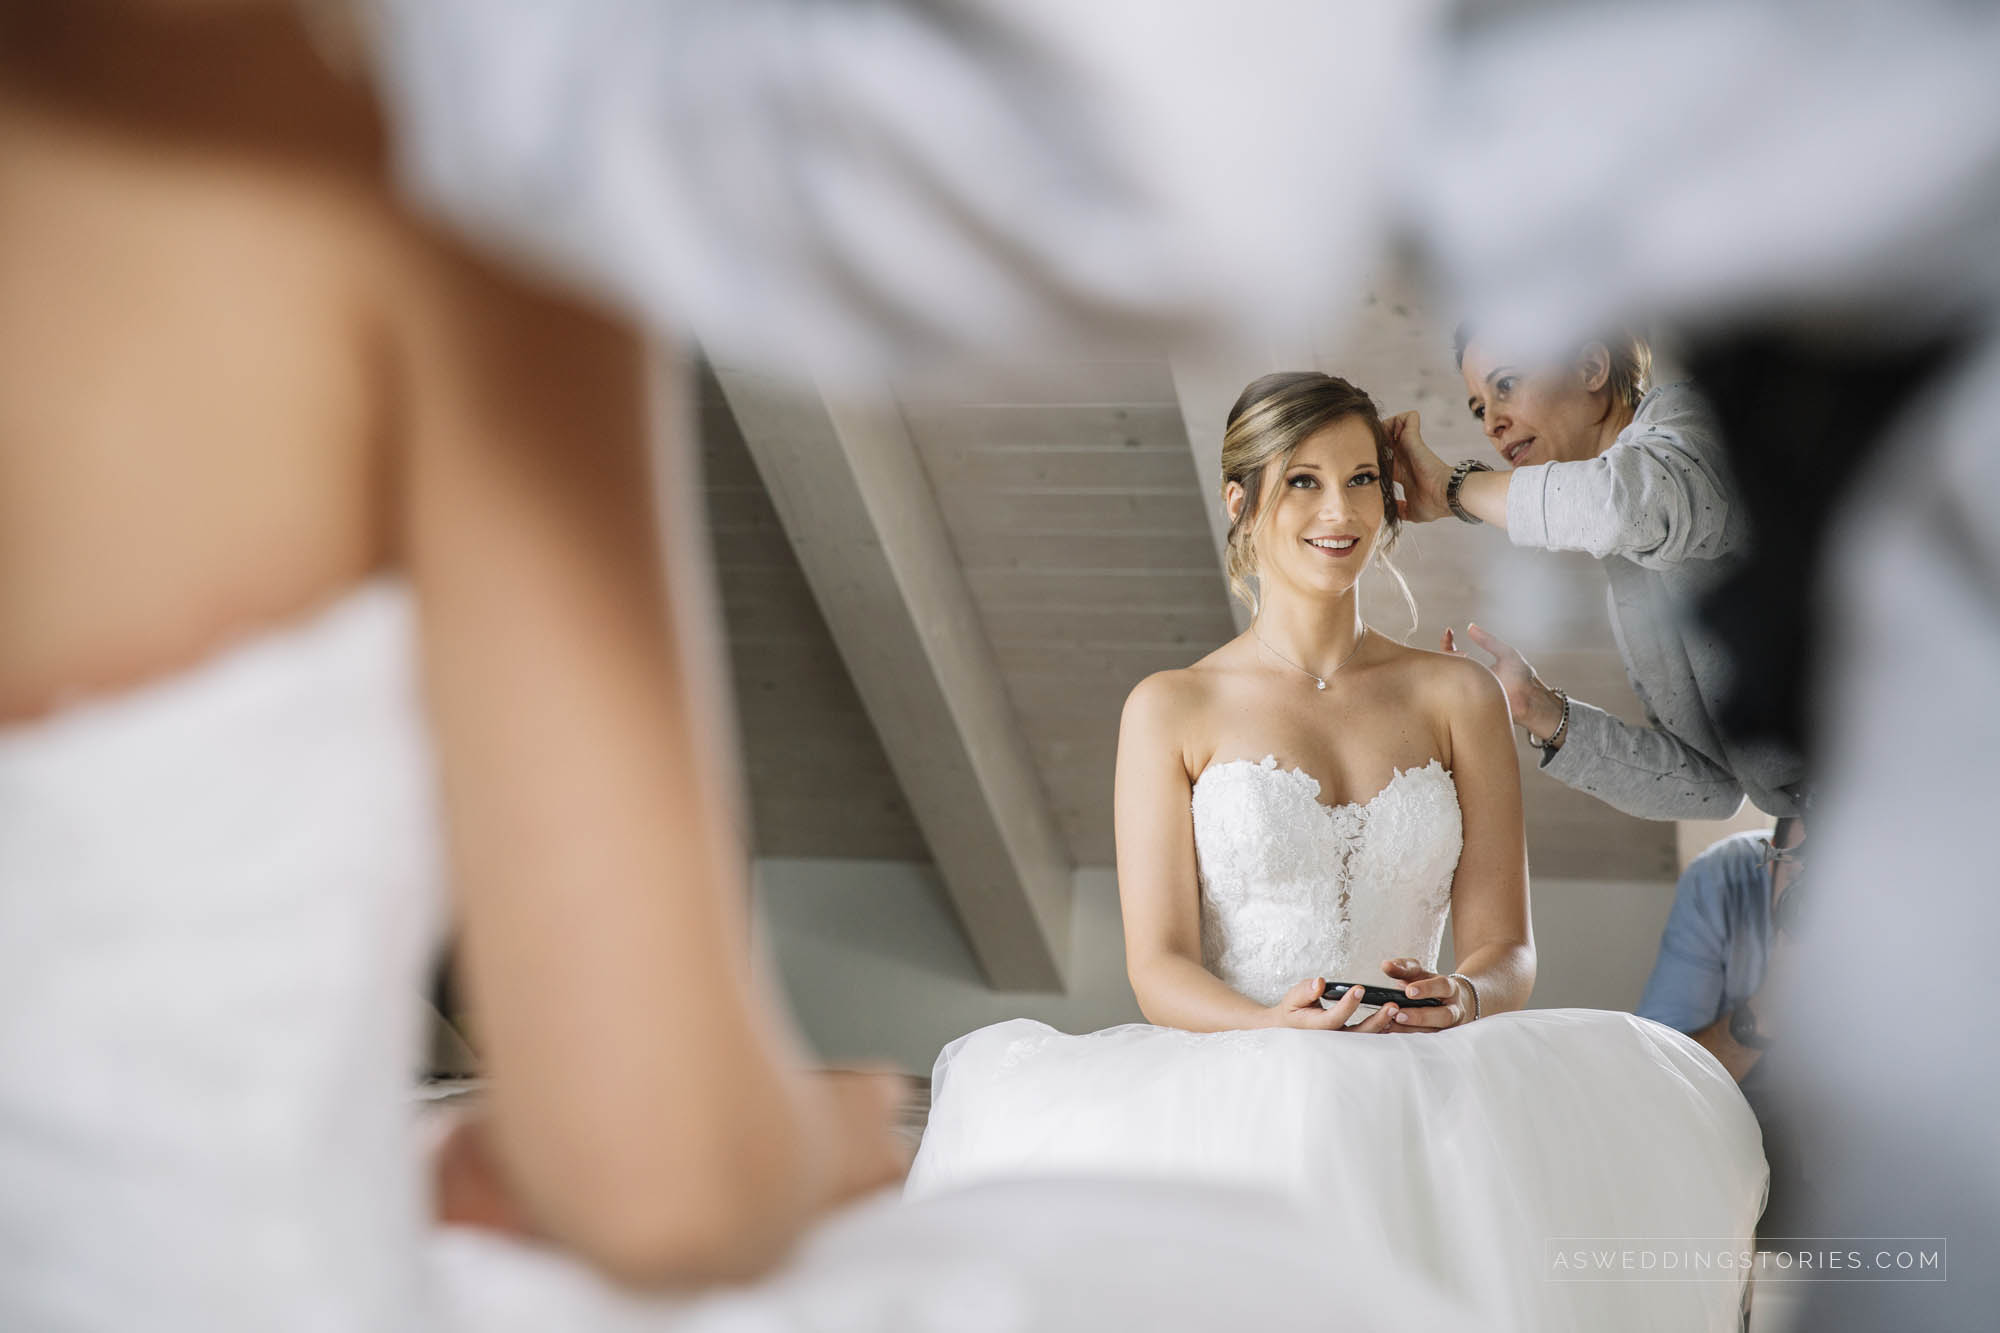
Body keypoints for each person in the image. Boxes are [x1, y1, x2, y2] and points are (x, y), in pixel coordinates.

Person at [0, 6, 1414, 1329]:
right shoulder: (416, 166)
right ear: (1248, 506)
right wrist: (791, 1129)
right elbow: (655, 1172)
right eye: (1304, 483)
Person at [908, 372, 1768, 1331]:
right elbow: (1158, 967)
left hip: (1426, 1092)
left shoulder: (1457, 696)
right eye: (1304, 481)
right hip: (1238, 1089)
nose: (1341, 510)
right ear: (1242, 502)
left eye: (1363, 479)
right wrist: (1270, 1027)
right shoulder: (1169, 708)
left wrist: (1468, 994)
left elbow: (1507, 947)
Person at [1387, 328, 1808, 820]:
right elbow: (1712, 783)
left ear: (1591, 368)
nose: (1491, 425)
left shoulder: (1697, 423)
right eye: (1480, 407)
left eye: (1506, 384)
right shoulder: (1627, 579)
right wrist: (1536, 709)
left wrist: (1453, 490)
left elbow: (1623, 505)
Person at [1634, 819, 1815, 1238]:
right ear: (1770, 860)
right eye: (1803, 877)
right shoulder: (1723, 879)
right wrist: (1767, 1010)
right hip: (1730, 1119)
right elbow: (1659, 1085)